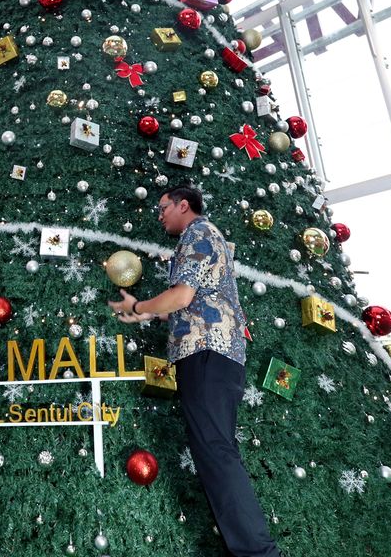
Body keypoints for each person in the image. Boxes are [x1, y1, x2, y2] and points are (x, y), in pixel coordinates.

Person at [108, 185, 281, 557]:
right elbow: (182, 305)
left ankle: (258, 553)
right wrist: (146, 311)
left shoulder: (198, 233)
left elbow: (182, 297)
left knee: (216, 452)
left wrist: (139, 306)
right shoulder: (204, 237)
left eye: (163, 207)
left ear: (183, 205)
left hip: (206, 352)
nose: (159, 214)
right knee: (217, 450)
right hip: (215, 355)